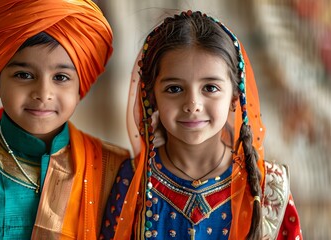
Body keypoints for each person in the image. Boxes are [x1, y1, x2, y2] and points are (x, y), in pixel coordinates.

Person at [0, 0, 129, 239]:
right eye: (24, 75)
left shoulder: (112, 167)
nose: (43, 93)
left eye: (61, 77)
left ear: (80, 87)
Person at [100, 10, 303, 240]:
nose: (192, 104)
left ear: (235, 97)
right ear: (152, 97)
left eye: (210, 88)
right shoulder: (132, 181)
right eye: (174, 89)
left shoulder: (268, 188)